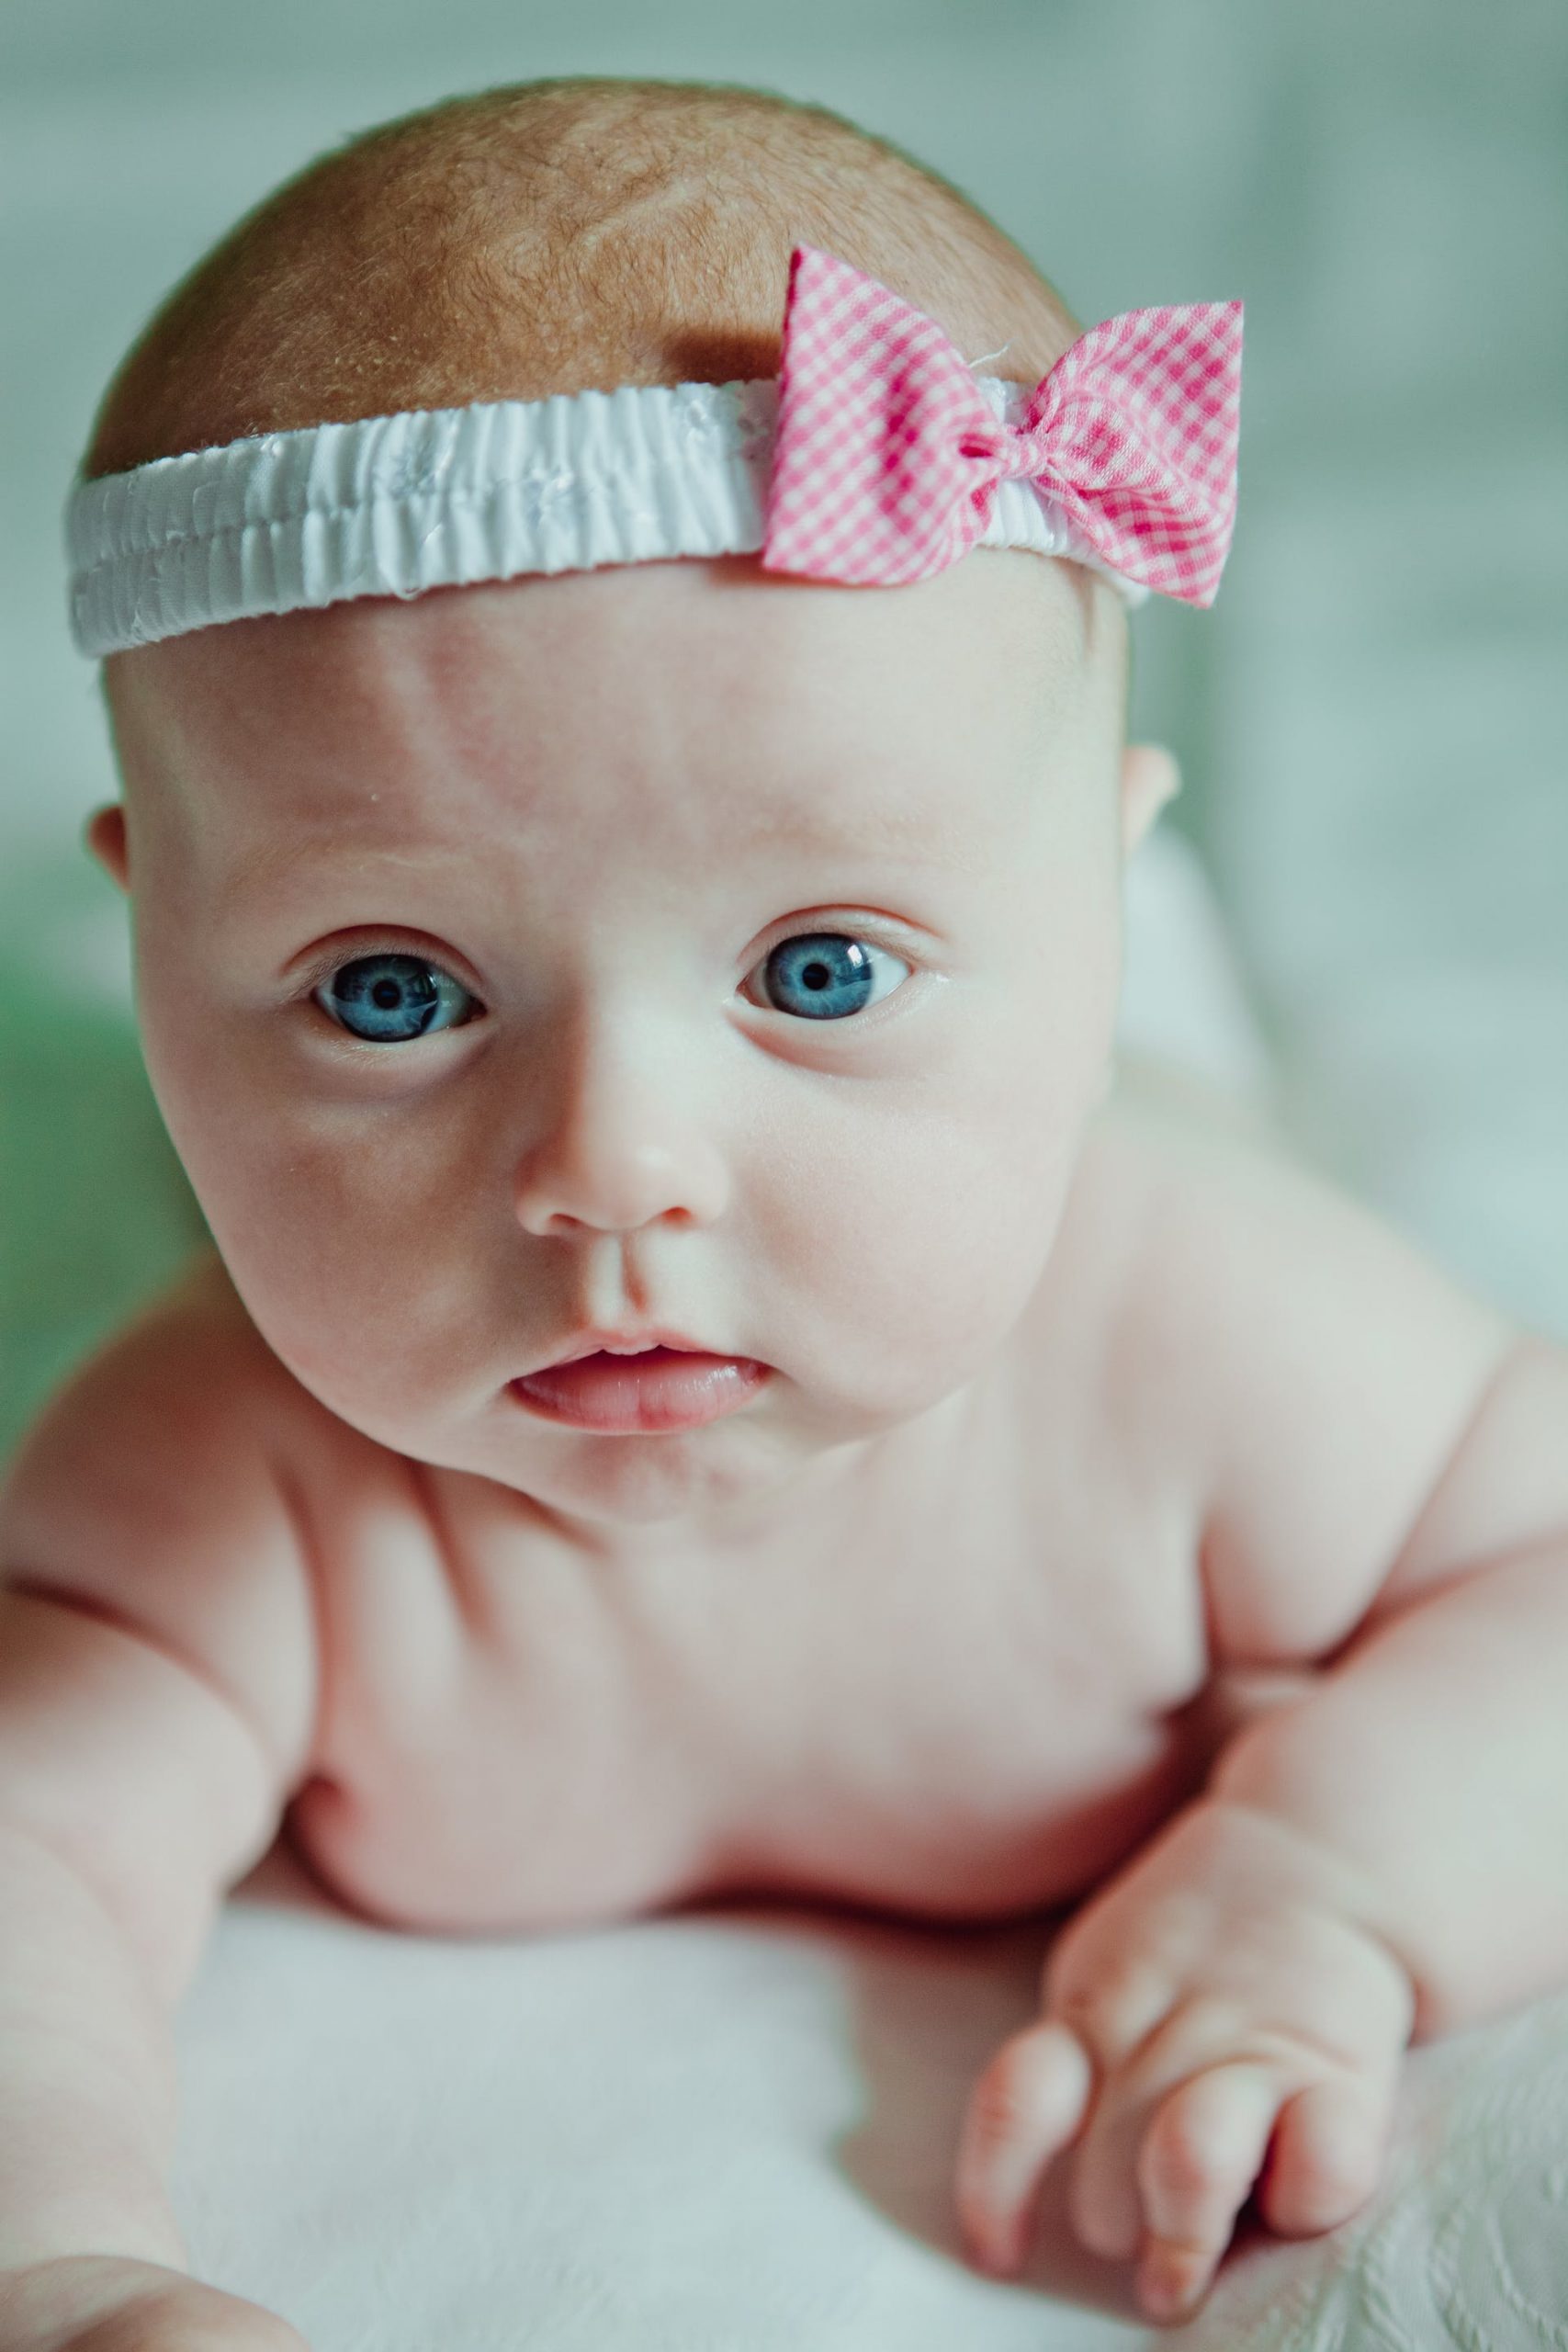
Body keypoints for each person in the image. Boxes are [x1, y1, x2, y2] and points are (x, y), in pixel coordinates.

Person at [3, 73, 1566, 2346]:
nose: (609, 1167)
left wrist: (1329, 1879)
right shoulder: (215, 1487)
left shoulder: (1213, 1348)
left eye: (811, 969)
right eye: (386, 988)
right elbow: (36, 1852)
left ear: (1088, 910)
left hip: (1125, 1099)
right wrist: (57, 2252)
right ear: (163, 960)